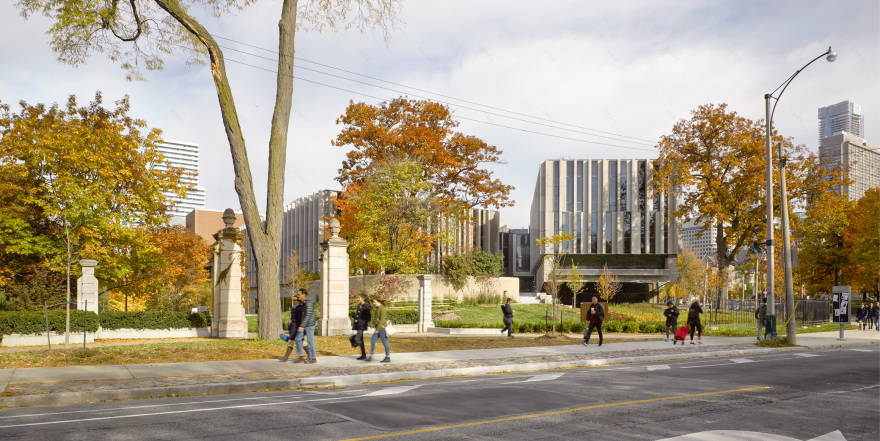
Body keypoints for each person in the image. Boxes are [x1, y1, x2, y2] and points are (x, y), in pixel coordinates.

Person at [294, 288, 318, 364]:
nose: (297, 296)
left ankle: (313, 358)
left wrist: (302, 326)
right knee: (298, 339)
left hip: (309, 325)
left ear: (303, 295)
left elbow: (307, 316)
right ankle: (301, 355)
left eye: (299, 294)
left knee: (310, 341)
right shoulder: (303, 302)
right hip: (304, 324)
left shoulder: (308, 303)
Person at [279, 297, 302, 362]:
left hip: (297, 328)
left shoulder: (299, 308)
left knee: (300, 342)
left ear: (298, 301)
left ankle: (310, 356)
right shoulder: (294, 308)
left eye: (295, 300)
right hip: (294, 327)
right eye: (293, 300)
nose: (293, 301)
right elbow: (293, 320)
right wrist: (290, 328)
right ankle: (286, 357)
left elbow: (299, 320)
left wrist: (299, 328)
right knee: (292, 342)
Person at [352, 294, 371, 360]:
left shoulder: (366, 306)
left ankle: (355, 344)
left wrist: (362, 322)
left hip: (362, 326)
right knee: (361, 340)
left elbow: (369, 317)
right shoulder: (359, 306)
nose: (357, 299)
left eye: (358, 298)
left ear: (363, 298)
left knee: (357, 338)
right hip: (357, 325)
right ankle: (363, 354)